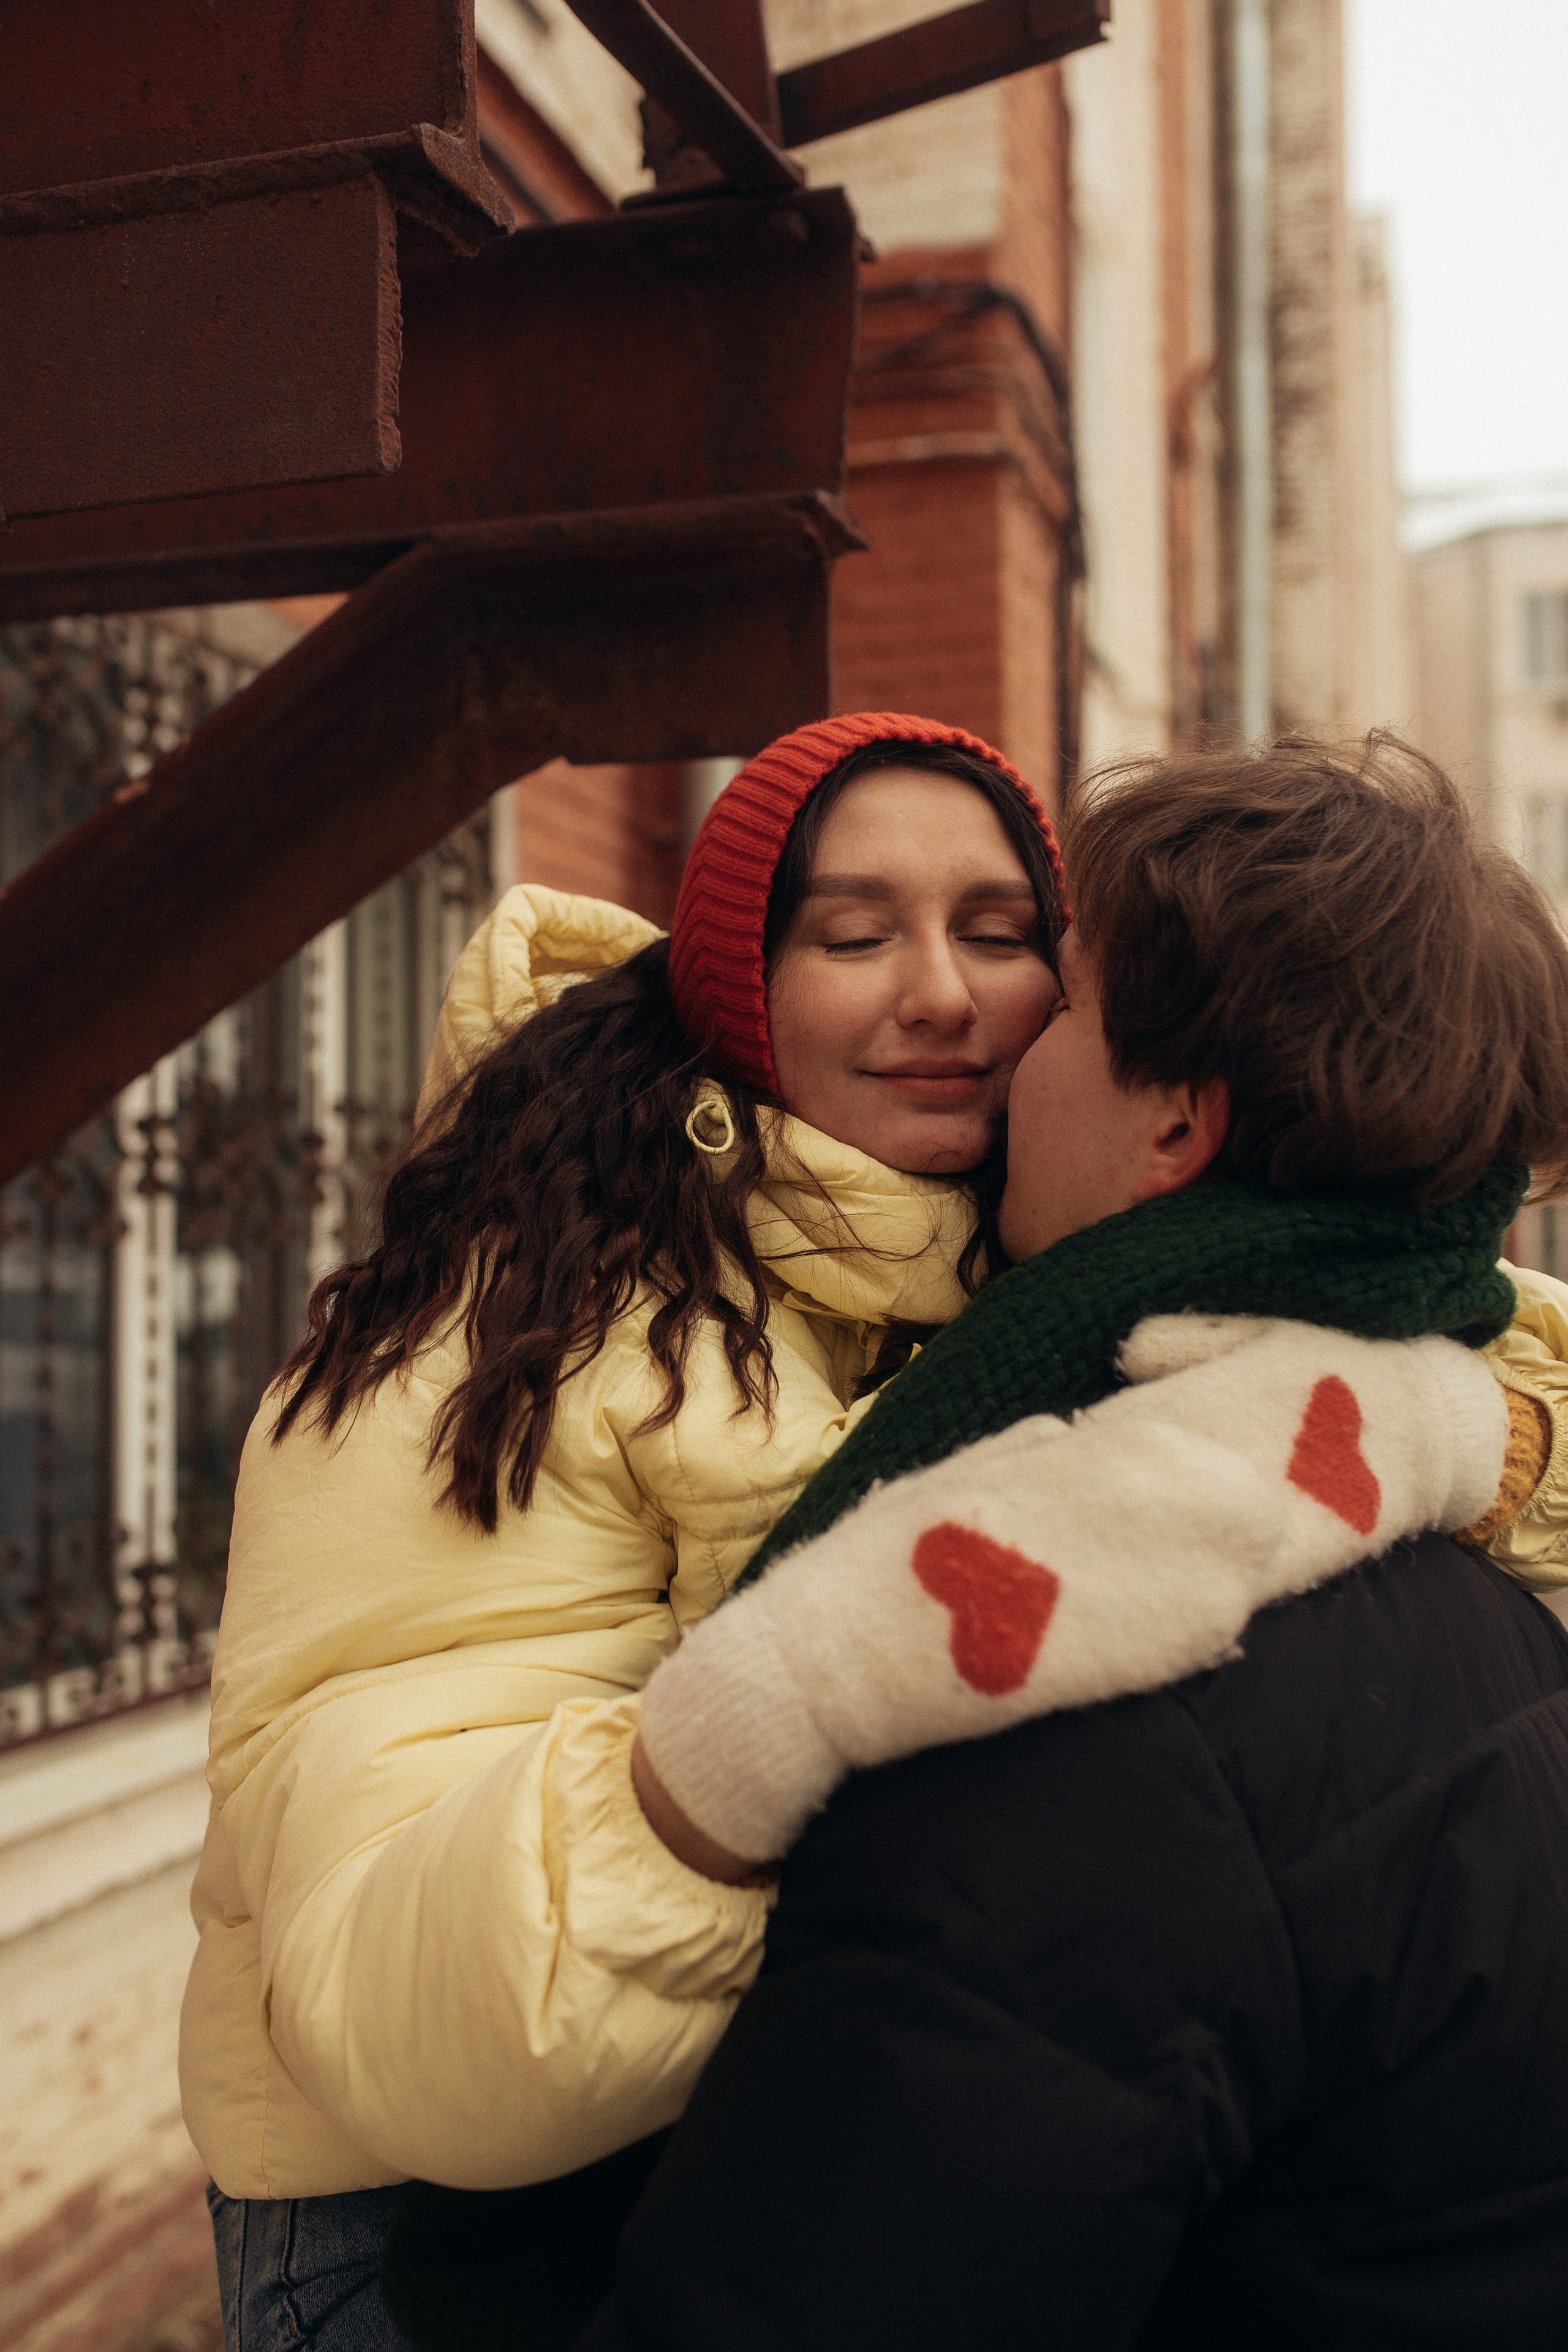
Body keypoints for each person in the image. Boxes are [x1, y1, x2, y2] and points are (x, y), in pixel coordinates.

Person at [184, 715, 1565, 2352]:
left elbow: (1421, 1315)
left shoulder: (1017, 1294)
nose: (945, 993)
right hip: (415, 2231)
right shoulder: (496, 1342)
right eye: (852, 935)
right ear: (733, 987)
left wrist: (1479, 1443)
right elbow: (403, 2008)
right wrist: (787, 1716)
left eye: (1003, 938)